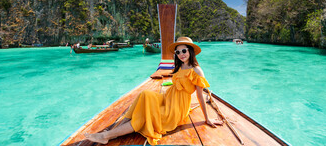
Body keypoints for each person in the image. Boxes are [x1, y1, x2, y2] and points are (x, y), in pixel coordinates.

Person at [84, 37, 223, 145]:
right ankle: (115, 130)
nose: (181, 54)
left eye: (184, 51)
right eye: (178, 52)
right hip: (167, 98)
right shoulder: (180, 66)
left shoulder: (197, 70)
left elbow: (199, 96)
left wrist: (206, 119)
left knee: (144, 117)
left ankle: (106, 136)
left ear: (190, 51)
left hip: (176, 108)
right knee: (144, 94)